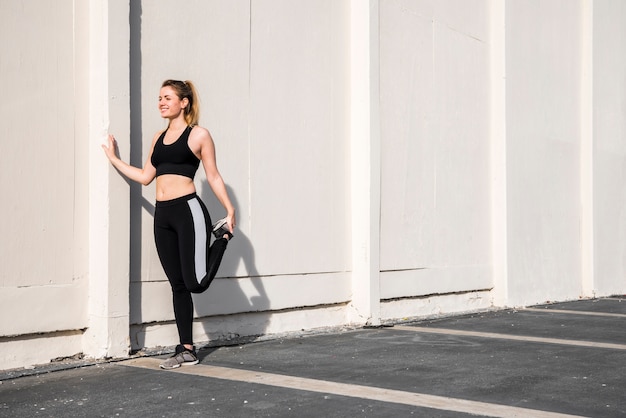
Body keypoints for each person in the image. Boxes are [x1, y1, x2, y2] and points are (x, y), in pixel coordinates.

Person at [102, 79, 236, 369]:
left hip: (188, 211)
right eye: (159, 98)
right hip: (163, 216)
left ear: (183, 102)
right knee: (178, 285)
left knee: (196, 283)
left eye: (167, 97)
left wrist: (229, 209)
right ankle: (186, 348)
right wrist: (114, 159)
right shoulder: (158, 138)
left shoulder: (198, 135)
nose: (161, 102)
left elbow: (212, 175)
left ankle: (222, 238)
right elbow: (145, 176)